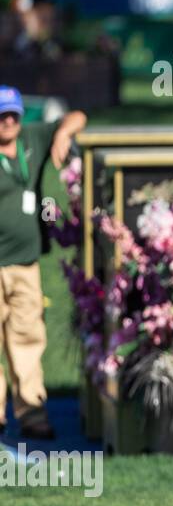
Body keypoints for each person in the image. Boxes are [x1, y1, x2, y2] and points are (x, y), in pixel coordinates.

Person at [0, 87, 86, 440]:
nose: (7, 121)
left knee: (27, 338)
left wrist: (63, 134)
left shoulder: (32, 139)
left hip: (26, 265)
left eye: (13, 115)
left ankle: (32, 413)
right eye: (1, 115)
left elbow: (77, 115)